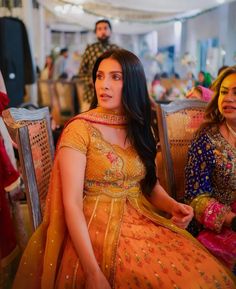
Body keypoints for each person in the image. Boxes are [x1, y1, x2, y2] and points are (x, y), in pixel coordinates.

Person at [12, 49, 235, 289]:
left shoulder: (138, 127)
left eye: (115, 77)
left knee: (207, 272)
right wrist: (92, 273)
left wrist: (174, 206)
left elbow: (149, 184)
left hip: (140, 219)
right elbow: (72, 203)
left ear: (132, 83)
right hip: (94, 229)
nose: (104, 85)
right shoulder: (80, 130)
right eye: (100, 76)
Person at [185, 66, 236, 273]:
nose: (228, 98)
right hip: (219, 227)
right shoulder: (206, 139)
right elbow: (196, 198)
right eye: (224, 92)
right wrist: (231, 219)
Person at [78, 19, 119, 105]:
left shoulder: (117, 50)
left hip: (112, 96)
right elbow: (81, 72)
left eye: (105, 28)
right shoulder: (90, 49)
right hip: (91, 95)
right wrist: (90, 81)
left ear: (110, 31)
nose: (103, 31)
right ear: (96, 32)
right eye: (99, 29)